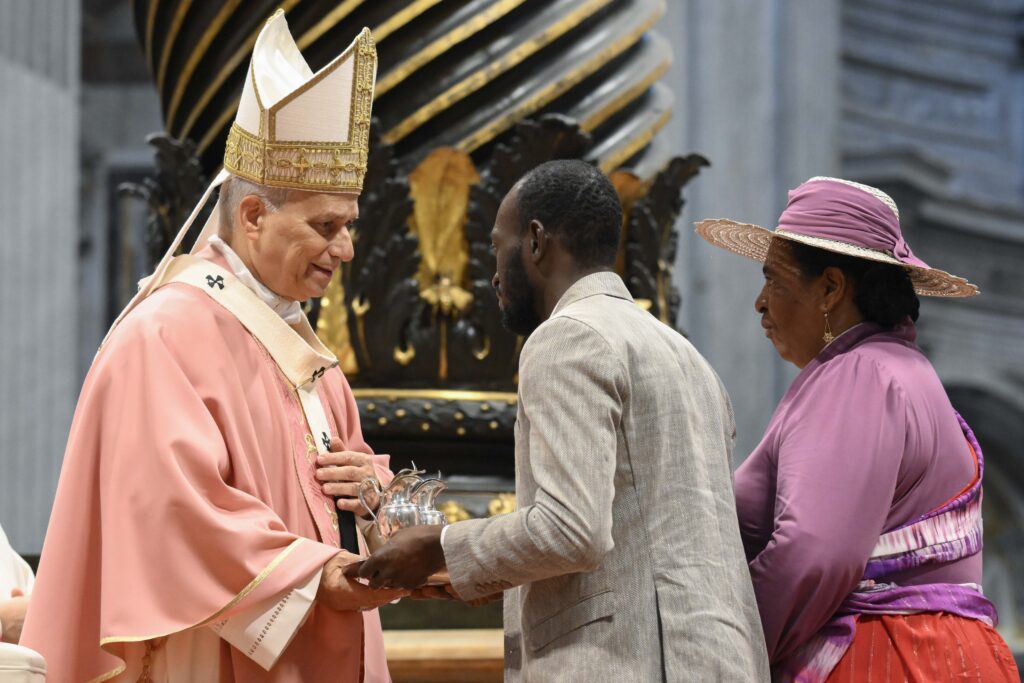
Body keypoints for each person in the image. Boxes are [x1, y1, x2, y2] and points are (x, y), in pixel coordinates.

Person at [20, 11, 407, 682]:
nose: (345, 249)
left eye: (349, 226)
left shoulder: (307, 356)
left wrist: (377, 501)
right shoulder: (162, 336)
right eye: (326, 225)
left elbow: (353, 498)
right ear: (254, 215)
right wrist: (322, 576)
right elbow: (174, 517)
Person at [353, 159, 771, 681]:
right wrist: (479, 573)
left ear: (534, 241)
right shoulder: (686, 355)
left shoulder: (567, 337)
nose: (492, 275)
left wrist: (437, 546)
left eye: (495, 247)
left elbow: (573, 531)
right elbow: (639, 536)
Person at [695, 176, 1021, 681]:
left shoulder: (859, 374)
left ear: (830, 287)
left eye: (773, 280)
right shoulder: (901, 371)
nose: (760, 302)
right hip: (935, 655)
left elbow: (811, 556)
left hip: (885, 657)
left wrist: (711, 652)